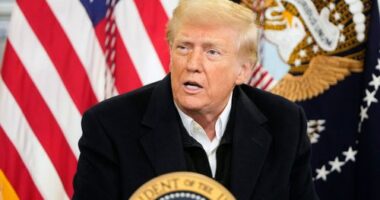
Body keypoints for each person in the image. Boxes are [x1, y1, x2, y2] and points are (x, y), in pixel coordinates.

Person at [73, 0, 319, 199]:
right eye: (183, 47)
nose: (192, 64)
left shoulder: (284, 123)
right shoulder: (111, 125)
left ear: (243, 70)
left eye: (212, 52)